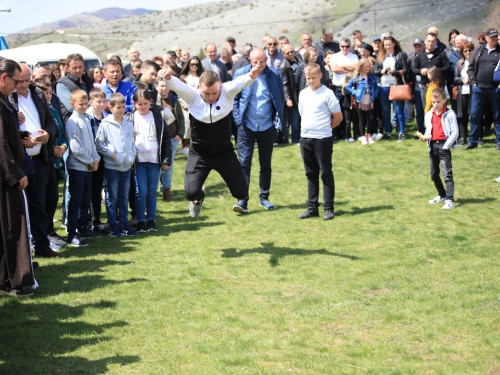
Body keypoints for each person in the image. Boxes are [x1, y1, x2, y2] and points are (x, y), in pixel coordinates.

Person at [157, 62, 259, 218]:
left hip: (224, 153)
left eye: (214, 93)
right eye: (206, 93)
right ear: (199, 89)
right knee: (191, 193)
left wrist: (252, 75)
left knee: (241, 192)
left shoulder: (227, 92)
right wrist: (169, 77)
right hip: (200, 154)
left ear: (221, 87)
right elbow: (178, 86)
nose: (211, 97)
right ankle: (198, 199)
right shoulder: (192, 96)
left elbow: (242, 81)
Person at [11, 64, 60, 257]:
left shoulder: (38, 94)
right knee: (23, 207)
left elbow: (50, 120)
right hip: (20, 160)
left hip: (41, 158)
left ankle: (42, 245)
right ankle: (26, 251)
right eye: (19, 81)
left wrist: (48, 134)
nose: (22, 85)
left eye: (25, 80)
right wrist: (22, 136)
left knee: (42, 203)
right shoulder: (8, 98)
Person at [232, 48, 284, 213]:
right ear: (250, 60)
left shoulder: (274, 75)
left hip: (267, 126)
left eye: (262, 62)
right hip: (246, 125)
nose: (259, 65)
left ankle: (264, 197)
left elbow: (279, 98)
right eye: (255, 62)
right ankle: (242, 200)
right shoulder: (241, 73)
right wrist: (238, 121)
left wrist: (278, 122)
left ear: (266, 60)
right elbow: (234, 97)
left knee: (265, 164)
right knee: (244, 163)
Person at [0, 59, 35, 297]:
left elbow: (7, 134)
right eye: (15, 81)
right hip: (6, 178)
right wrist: (15, 175)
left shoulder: (4, 101)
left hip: (7, 174)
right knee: (11, 229)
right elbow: (0, 145)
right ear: (4, 78)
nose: (17, 86)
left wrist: (20, 134)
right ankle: (12, 281)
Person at [297, 63, 343, 220]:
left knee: (326, 172)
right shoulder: (303, 94)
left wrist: (325, 128)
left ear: (320, 76)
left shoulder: (327, 93)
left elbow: (338, 117)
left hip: (322, 139)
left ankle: (328, 208)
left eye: (313, 78)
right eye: (308, 78)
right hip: (305, 138)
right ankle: (312, 207)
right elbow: (302, 113)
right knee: (310, 174)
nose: (310, 81)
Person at [126, 89, 171, 233]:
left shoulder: (158, 116)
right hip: (138, 161)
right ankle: (140, 220)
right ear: (134, 104)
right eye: (139, 104)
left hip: (154, 160)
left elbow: (166, 140)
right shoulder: (129, 118)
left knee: (152, 191)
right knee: (141, 191)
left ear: (150, 102)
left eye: (145, 103)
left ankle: (151, 220)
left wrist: (166, 159)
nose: (143, 107)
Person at [95, 93, 137, 237]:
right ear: (111, 107)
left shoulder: (128, 124)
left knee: (124, 197)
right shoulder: (105, 124)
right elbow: (99, 144)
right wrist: (113, 155)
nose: (121, 110)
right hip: (112, 167)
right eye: (118, 107)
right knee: (111, 197)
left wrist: (132, 155)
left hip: (126, 166)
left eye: (123, 107)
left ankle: (124, 225)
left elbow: (132, 142)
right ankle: (113, 226)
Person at [65, 89, 100, 247]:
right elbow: (75, 147)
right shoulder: (73, 121)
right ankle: (73, 232)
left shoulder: (86, 119)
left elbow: (92, 143)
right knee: (76, 201)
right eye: (81, 104)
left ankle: (83, 226)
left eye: (86, 103)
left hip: (87, 166)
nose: (84, 106)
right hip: (78, 167)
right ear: (72, 104)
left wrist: (96, 158)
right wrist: (89, 160)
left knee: (86, 199)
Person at [419, 87, 458, 210]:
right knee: (433, 174)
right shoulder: (429, 114)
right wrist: (425, 138)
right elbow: (428, 130)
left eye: (438, 102)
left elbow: (455, 132)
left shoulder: (450, 114)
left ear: (444, 100)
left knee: (447, 174)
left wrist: (446, 146)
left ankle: (450, 200)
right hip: (433, 146)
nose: (436, 105)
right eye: (433, 102)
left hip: (444, 145)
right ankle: (442, 194)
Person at [463, 27, 500, 151]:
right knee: (475, 115)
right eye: (492, 37)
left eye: (496, 36)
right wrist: (473, 83)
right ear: (486, 38)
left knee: (497, 116)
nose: (495, 39)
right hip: (479, 89)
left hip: (495, 89)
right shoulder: (479, 51)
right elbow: (471, 68)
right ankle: (472, 141)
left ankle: (499, 141)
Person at [373, 35, 409, 141]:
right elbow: (375, 71)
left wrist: (395, 72)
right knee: (386, 110)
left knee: (399, 110)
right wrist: (381, 71)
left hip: (396, 85)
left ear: (394, 43)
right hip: (383, 86)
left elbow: (406, 70)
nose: (387, 47)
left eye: (389, 44)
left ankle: (401, 132)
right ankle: (387, 132)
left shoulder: (400, 55)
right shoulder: (380, 55)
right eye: (385, 45)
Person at [86, 88, 109, 232]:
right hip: (90, 158)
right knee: (89, 190)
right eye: (98, 101)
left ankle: (96, 221)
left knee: (98, 190)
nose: (101, 104)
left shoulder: (107, 117)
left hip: (103, 158)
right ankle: (87, 220)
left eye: (103, 101)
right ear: (91, 102)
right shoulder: (87, 117)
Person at [156, 79, 183, 201]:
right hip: (157, 139)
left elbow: (181, 118)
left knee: (169, 165)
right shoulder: (152, 100)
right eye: (161, 86)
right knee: (157, 165)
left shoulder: (174, 100)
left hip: (172, 138)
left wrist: (180, 134)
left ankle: (166, 190)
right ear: (157, 87)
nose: (164, 88)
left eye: (166, 86)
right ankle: (153, 190)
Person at [329, 37, 359, 141]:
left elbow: (356, 67)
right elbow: (334, 69)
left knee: (349, 113)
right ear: (339, 46)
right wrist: (348, 68)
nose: (345, 48)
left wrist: (341, 66)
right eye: (343, 46)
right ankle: (335, 134)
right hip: (337, 88)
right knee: (335, 111)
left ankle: (348, 134)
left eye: (347, 46)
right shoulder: (334, 56)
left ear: (350, 47)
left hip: (350, 87)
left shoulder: (354, 56)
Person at [413, 33, 451, 113]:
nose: (430, 43)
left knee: (439, 109)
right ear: (425, 41)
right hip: (425, 86)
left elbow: (447, 67)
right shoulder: (420, 55)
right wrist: (421, 71)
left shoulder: (441, 54)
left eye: (433, 41)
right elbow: (414, 69)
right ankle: (429, 125)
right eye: (429, 41)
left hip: (438, 86)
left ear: (436, 42)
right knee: (427, 108)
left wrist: (435, 71)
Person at [345, 58, 379, 145]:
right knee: (362, 118)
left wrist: (375, 93)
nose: (368, 68)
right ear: (361, 67)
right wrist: (354, 92)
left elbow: (376, 86)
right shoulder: (356, 77)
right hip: (360, 100)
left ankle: (369, 135)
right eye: (366, 66)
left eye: (369, 66)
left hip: (370, 99)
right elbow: (347, 86)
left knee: (370, 118)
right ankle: (363, 136)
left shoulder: (371, 76)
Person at [55, 53, 95, 122]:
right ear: (67, 68)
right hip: (72, 123)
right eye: (74, 68)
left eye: (80, 67)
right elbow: (71, 107)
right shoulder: (62, 84)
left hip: (89, 121)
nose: (78, 70)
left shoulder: (89, 82)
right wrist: (94, 106)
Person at [178, 56, 204, 155]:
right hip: (186, 104)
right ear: (188, 65)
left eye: (196, 64)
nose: (194, 66)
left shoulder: (202, 76)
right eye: (192, 64)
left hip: (199, 104)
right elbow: (179, 92)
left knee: (199, 125)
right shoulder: (183, 77)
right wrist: (183, 103)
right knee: (187, 125)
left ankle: (198, 145)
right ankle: (185, 145)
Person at [454, 40, 474, 146]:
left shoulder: (476, 62)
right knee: (462, 116)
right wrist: (462, 80)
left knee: (474, 115)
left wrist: (471, 80)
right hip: (462, 92)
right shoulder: (460, 63)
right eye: (465, 51)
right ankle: (463, 137)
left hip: (473, 92)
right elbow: (455, 78)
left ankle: (477, 137)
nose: (467, 53)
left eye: (469, 50)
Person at [280, 44, 300, 144]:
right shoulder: (284, 66)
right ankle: (295, 139)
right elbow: (285, 84)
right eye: (288, 53)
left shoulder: (298, 59)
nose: (291, 54)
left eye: (292, 51)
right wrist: (288, 98)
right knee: (294, 119)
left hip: (300, 92)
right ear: (283, 54)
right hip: (293, 95)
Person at [407, 38, 425, 133]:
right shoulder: (411, 58)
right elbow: (409, 72)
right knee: (419, 110)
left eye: (420, 46)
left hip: (427, 86)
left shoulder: (427, 56)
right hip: (417, 88)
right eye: (416, 46)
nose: (418, 48)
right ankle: (421, 129)